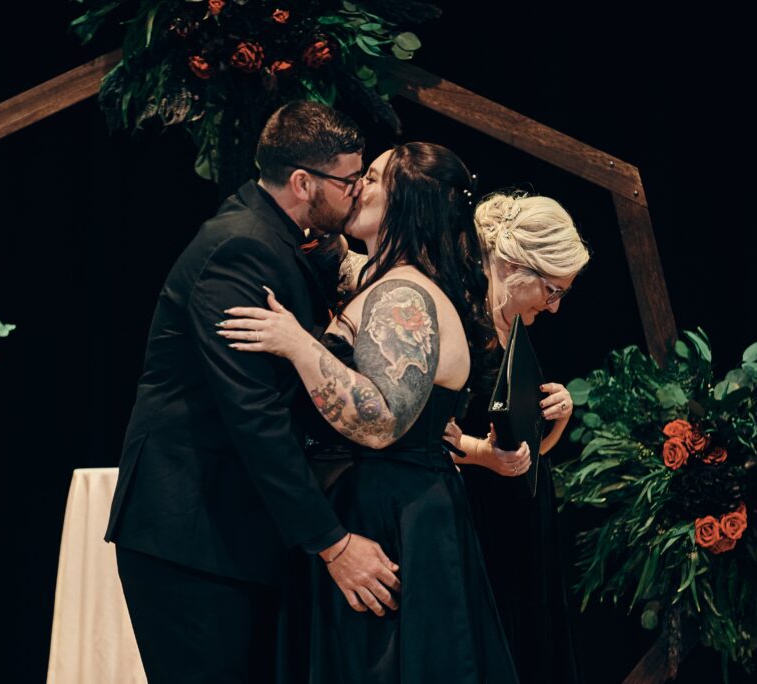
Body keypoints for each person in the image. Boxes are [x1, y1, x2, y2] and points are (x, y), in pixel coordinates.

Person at [104, 101, 401, 684]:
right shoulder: (240, 248)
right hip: (192, 534)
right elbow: (253, 413)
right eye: (350, 180)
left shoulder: (272, 231)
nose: (359, 191)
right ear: (302, 182)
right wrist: (333, 543)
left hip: (227, 530)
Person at [219, 142, 519, 683]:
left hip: (392, 515)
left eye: (374, 179)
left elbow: (381, 423)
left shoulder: (403, 295)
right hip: (392, 502)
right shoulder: (387, 280)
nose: (358, 186)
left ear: (408, 202)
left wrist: (296, 343)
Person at [447, 192, 591, 684]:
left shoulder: (516, 329)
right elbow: (421, 434)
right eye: (552, 291)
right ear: (513, 267)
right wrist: (482, 455)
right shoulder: (461, 328)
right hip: (478, 524)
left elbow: (527, 457)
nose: (553, 308)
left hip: (525, 524)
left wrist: (559, 419)